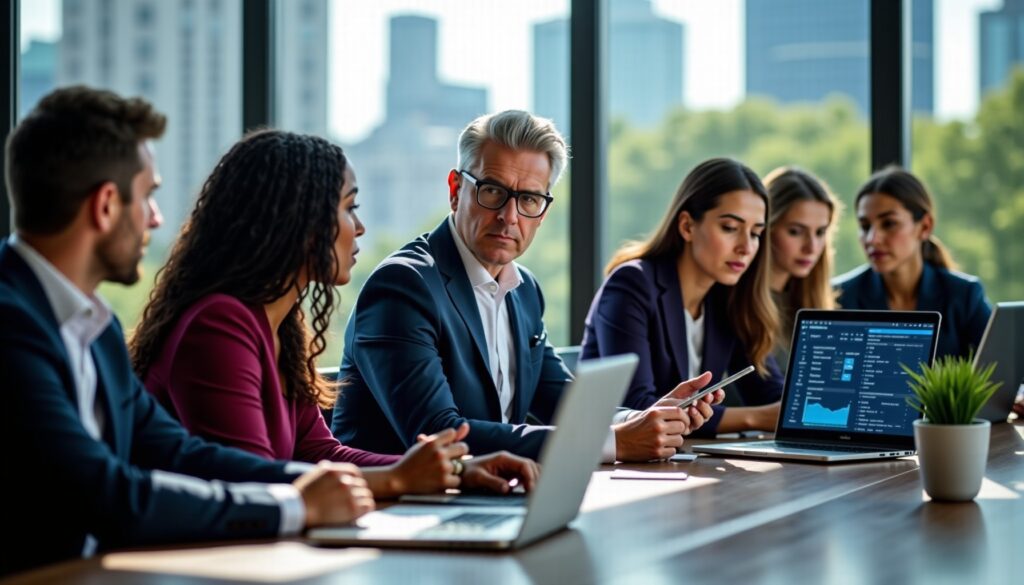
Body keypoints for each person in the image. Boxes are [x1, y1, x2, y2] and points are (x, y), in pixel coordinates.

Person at [0, 87, 373, 576]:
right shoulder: (11, 324)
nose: (157, 218)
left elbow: (179, 452)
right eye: (148, 196)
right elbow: (107, 493)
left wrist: (324, 486)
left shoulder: (95, 327)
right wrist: (296, 504)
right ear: (106, 205)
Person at [130, 129, 537, 498]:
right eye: (348, 208)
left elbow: (319, 452)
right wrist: (397, 479)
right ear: (295, 219)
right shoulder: (218, 325)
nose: (359, 227)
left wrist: (456, 472)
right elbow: (256, 484)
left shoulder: (281, 328)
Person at [331, 110, 721, 461]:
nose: (509, 216)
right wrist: (613, 442)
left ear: (543, 211)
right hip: (399, 507)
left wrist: (648, 418)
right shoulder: (403, 286)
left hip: (490, 495)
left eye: (529, 199)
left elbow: (562, 402)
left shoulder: (524, 290)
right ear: (455, 190)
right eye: (492, 191)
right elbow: (439, 434)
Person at [580, 158, 784, 436]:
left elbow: (770, 394)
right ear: (687, 226)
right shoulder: (631, 284)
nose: (746, 247)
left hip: (680, 456)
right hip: (612, 455)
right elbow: (639, 409)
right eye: (729, 228)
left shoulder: (728, 298)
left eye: (756, 233)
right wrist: (754, 419)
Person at [833, 166, 991, 359]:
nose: (872, 239)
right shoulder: (841, 296)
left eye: (889, 224)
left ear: (925, 226)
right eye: (865, 226)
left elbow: (1001, 368)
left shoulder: (964, 295)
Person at [764, 167, 840, 373]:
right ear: (766, 228)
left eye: (820, 232)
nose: (811, 247)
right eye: (795, 232)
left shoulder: (814, 303)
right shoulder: (738, 306)